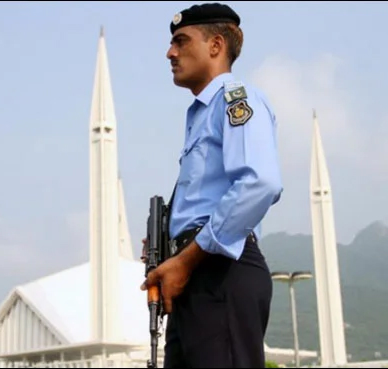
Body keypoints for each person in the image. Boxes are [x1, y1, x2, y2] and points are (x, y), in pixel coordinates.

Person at [140, 2, 284, 368]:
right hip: (192, 273)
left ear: (216, 46)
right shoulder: (201, 114)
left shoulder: (237, 99)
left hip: (220, 269)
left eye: (180, 41)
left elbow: (260, 181)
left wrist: (186, 258)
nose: (170, 52)